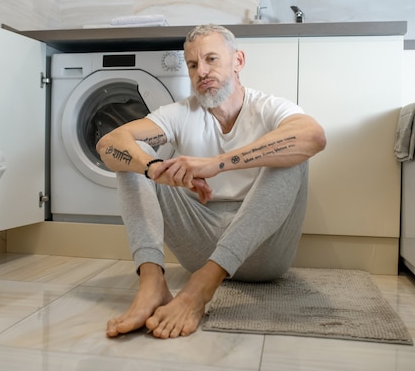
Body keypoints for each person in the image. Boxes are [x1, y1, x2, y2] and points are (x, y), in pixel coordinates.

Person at [96, 24, 326, 339]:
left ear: (238, 61)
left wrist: (216, 165)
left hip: (263, 252)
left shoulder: (269, 108)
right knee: (132, 156)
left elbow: (313, 136)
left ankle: (201, 287)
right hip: (199, 241)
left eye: (211, 59)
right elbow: (108, 144)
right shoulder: (179, 113)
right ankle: (151, 285)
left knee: (290, 153)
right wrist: (155, 168)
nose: (201, 71)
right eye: (192, 64)